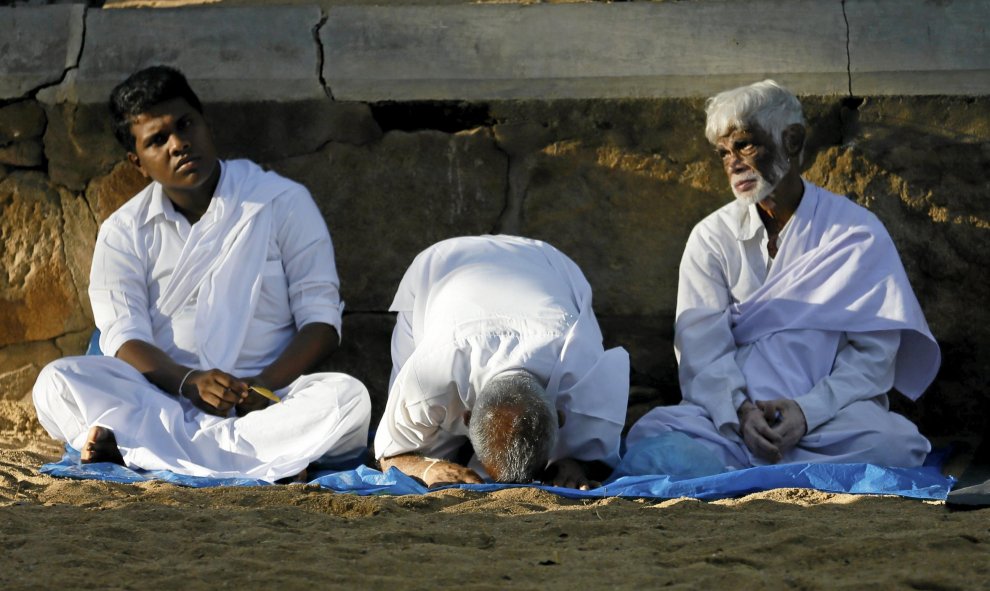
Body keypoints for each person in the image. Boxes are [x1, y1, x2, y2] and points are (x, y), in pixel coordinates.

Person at [31, 66, 371, 482]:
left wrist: (260, 388)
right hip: (163, 399)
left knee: (346, 397)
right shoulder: (123, 232)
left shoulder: (281, 202)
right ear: (138, 162)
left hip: (266, 402)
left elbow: (321, 322)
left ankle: (146, 453)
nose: (178, 144)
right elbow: (122, 336)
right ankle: (262, 462)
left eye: (185, 124)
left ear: (205, 123)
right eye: (158, 140)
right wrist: (188, 382)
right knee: (56, 381)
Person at [626, 80, 940, 472]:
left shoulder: (856, 232)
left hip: (826, 421)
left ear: (791, 141)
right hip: (731, 422)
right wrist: (741, 411)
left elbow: (873, 357)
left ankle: (740, 467)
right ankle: (754, 457)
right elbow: (700, 348)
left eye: (745, 145)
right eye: (723, 153)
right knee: (654, 436)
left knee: (896, 444)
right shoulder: (711, 237)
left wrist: (806, 412)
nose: (733, 164)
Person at [375, 235, 630, 489]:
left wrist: (576, 463)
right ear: (466, 416)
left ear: (561, 417)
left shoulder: (585, 370)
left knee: (576, 450)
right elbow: (390, 453)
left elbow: (598, 452)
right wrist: (428, 468)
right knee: (431, 455)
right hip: (439, 264)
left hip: (550, 263)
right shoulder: (427, 377)